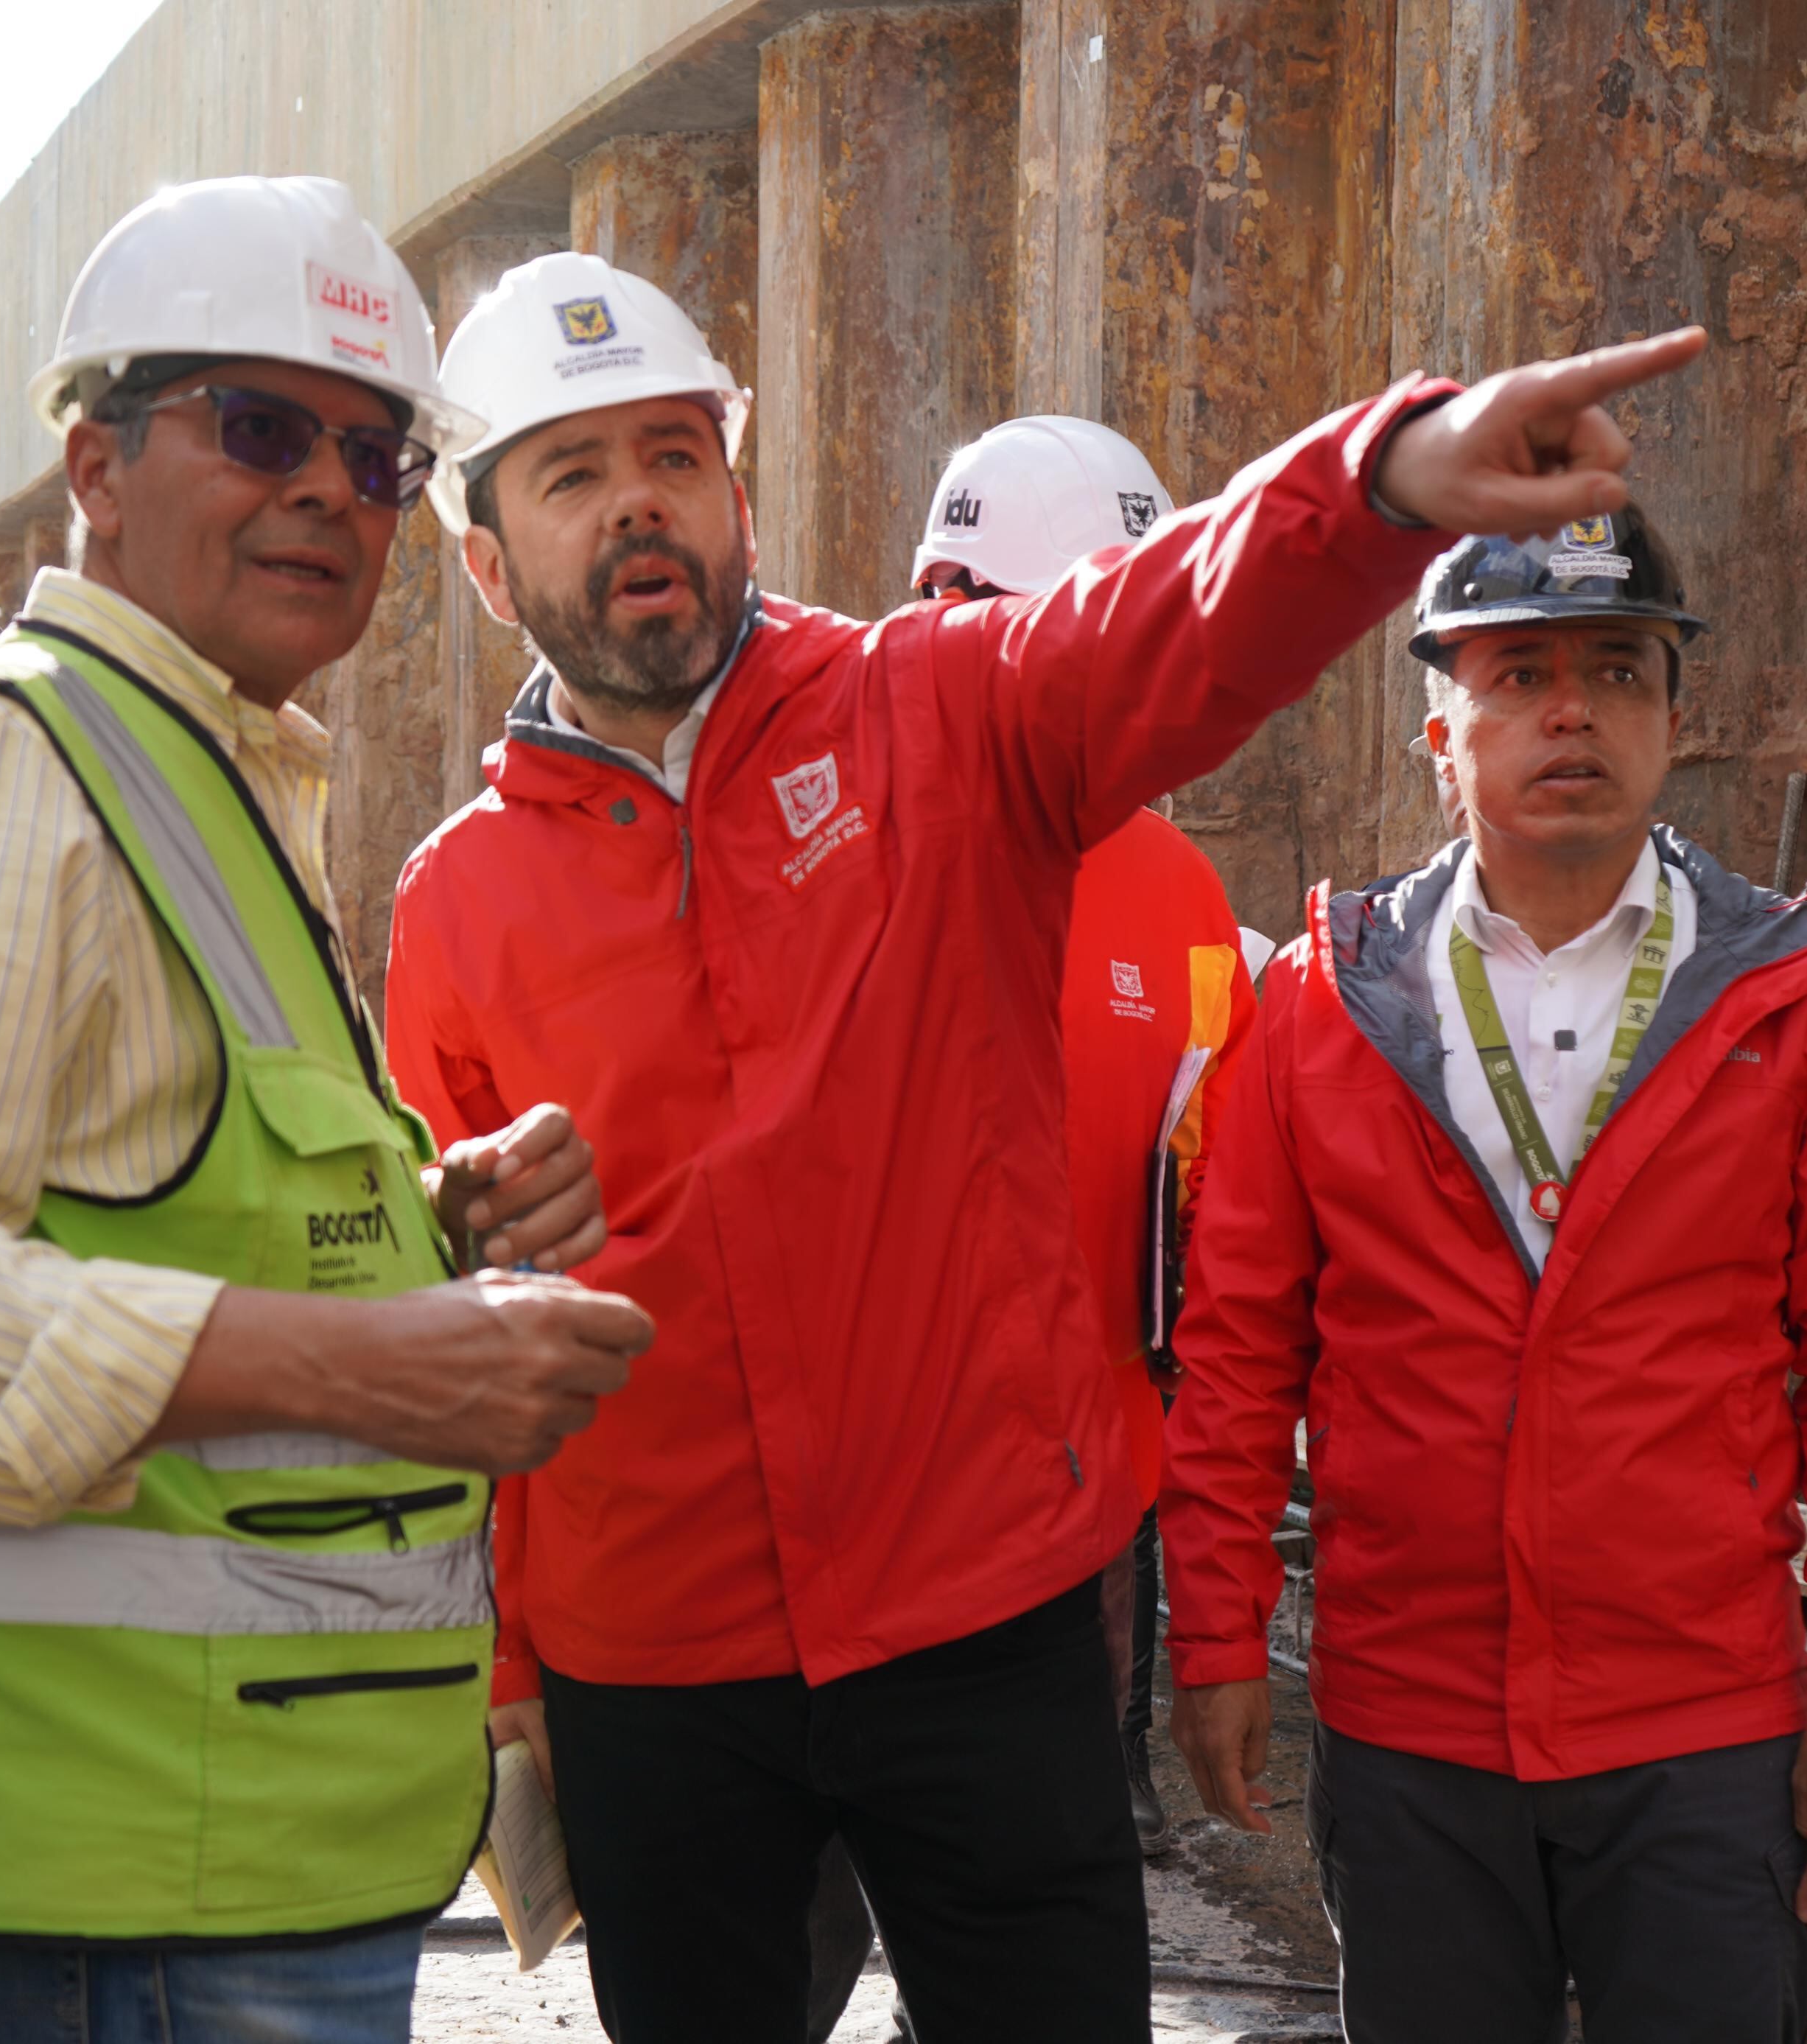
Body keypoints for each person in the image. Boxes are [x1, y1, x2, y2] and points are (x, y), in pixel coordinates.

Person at [379, 246, 1705, 2040]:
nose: (641, 505)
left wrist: (1385, 480)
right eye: (574, 472)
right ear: (483, 560)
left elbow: (1174, 614)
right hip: (654, 1667)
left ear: (736, 488)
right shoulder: (458, 901)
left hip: (976, 1631)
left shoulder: (935, 714)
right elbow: (457, 1340)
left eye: (675, 454)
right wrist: (512, 1643)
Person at [0, 178, 653, 2044]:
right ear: (94, 460)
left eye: (376, 457)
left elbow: (161, 1196)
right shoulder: (5, 754)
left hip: (244, 1855)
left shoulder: (201, 770)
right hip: (135, 1880)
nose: (329, 486)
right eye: (259, 427)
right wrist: (377, 1366)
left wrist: (430, 1217)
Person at [1159, 511, 1807, 2044]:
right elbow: (1242, 1345)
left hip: (1701, 1728)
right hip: (1413, 1724)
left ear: (1674, 719)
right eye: (1517, 674)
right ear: (1437, 736)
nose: (1569, 709)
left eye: (1615, 669)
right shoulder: (1325, 1003)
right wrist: (1213, 1633)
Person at [908, 413, 1259, 1841]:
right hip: (860, 1498)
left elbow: (1219, 1209)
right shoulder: (828, 851)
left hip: (1091, 1503)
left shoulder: (1181, 896)